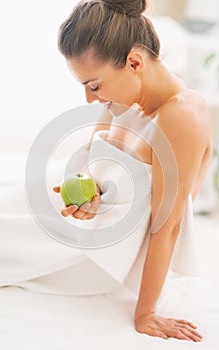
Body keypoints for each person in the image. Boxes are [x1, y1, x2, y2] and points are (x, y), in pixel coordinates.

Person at [53, 0, 213, 342]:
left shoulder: (182, 115)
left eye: (94, 85)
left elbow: (166, 225)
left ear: (134, 62)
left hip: (82, 253)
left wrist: (146, 314)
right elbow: (93, 161)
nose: (89, 99)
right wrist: (92, 196)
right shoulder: (123, 101)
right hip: (68, 235)